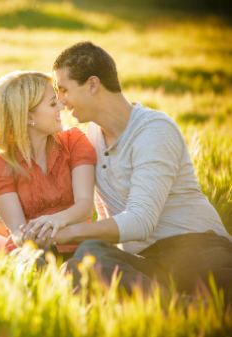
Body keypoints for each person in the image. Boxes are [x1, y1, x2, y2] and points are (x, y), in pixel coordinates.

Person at [21, 41, 232, 297]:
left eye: (64, 90)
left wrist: (66, 234)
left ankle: (199, 308)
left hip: (198, 252)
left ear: (93, 84)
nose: (62, 102)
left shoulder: (154, 130)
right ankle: (184, 305)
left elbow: (141, 221)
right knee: (69, 262)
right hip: (151, 264)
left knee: (89, 253)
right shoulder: (92, 136)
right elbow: (108, 218)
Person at [0, 70, 97, 261]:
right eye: (53, 103)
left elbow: (85, 206)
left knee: (93, 257)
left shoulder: (74, 141)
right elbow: (17, 230)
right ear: (28, 117)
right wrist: (31, 238)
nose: (61, 106)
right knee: (37, 259)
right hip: (31, 250)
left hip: (79, 245)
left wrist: (54, 222)